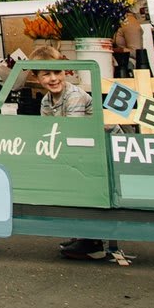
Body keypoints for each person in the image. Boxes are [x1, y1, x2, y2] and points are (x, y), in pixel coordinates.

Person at [28, 45, 116, 261]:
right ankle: (83, 234)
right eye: (46, 74)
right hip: (82, 146)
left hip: (106, 145)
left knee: (83, 184)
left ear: (65, 71)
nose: (53, 78)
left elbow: (73, 131)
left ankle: (92, 241)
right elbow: (50, 133)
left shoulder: (74, 96)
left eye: (57, 72)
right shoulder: (46, 101)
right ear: (37, 77)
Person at [112, 11, 142, 79]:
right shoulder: (118, 20)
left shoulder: (129, 22)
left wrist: (112, 50)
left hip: (128, 69)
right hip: (119, 67)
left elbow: (135, 52)